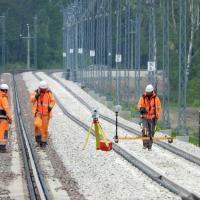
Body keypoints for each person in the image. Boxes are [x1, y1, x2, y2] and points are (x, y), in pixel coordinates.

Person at [30, 81, 55, 147]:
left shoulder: (49, 93)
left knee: (45, 129)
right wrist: (36, 96)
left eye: (44, 89)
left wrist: (50, 107)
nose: (43, 90)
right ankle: (38, 140)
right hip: (38, 113)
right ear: (40, 88)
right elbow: (32, 100)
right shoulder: (35, 92)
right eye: (42, 89)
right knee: (37, 125)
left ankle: (43, 142)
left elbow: (53, 101)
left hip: (46, 115)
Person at [138, 84, 161, 151]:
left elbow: (159, 108)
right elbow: (139, 105)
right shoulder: (142, 97)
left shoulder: (156, 98)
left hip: (153, 118)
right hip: (144, 117)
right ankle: (145, 145)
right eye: (147, 92)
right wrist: (141, 109)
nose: (147, 93)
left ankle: (149, 146)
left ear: (151, 92)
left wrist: (157, 116)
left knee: (151, 132)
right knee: (145, 130)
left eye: (149, 92)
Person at [0, 84, 12, 151]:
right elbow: (6, 109)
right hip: (3, 118)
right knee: (3, 132)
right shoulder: (3, 97)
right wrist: (10, 119)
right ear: (6, 90)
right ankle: (2, 147)